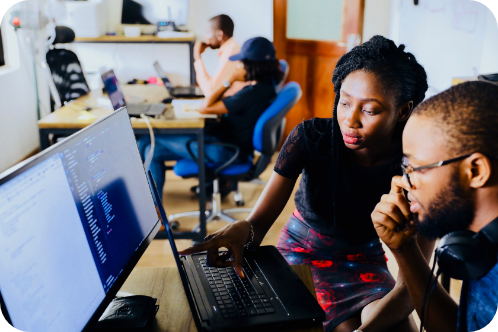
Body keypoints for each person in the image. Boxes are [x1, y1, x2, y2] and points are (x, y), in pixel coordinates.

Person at [180, 35, 432, 332]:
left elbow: (412, 287)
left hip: (363, 264)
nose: (350, 120)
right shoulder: (311, 138)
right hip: (300, 256)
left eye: (369, 110)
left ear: (403, 110)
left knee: (401, 328)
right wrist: (243, 229)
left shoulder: (417, 168)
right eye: (345, 102)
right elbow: (258, 224)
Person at [371, 81, 498, 332]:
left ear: (475, 171)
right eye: (404, 166)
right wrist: (405, 249)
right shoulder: (479, 243)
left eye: (415, 168)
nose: (402, 182)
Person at [139, 37, 283, 199]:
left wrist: (229, 80)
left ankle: (147, 206)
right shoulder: (267, 89)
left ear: (252, 65)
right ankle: (156, 211)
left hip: (224, 151)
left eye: (241, 62)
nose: (238, 66)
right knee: (152, 149)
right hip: (230, 146)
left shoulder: (250, 94)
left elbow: (205, 107)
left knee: (147, 141)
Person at [194, 14, 248, 98]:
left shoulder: (230, 53)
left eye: (208, 33)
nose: (205, 37)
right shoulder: (231, 49)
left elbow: (210, 92)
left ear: (220, 34)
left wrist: (197, 57)